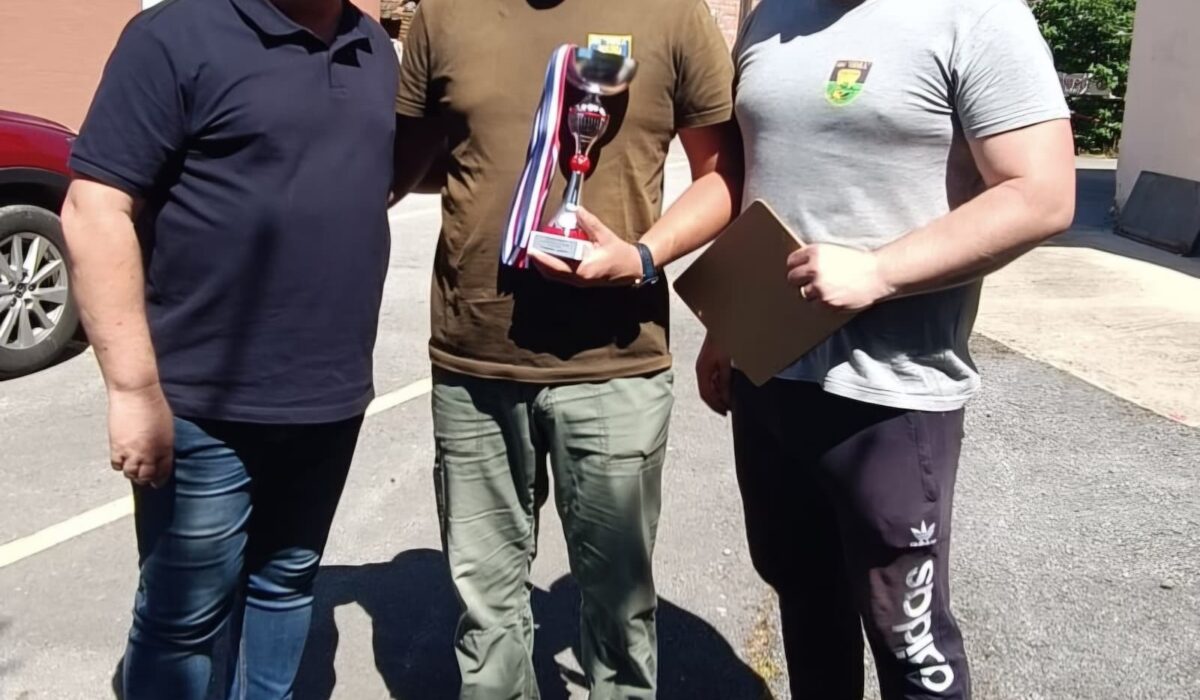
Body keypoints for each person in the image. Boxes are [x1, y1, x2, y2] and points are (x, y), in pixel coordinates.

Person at [693, 0, 1076, 698]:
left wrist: (880, 271)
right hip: (769, 375)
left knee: (910, 640)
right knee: (806, 601)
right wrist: (729, 324)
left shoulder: (977, 16)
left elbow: (1042, 194)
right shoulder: (771, 14)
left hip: (892, 396)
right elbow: (767, 177)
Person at [390, 0, 741, 696]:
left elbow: (723, 175)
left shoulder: (673, 12)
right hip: (474, 362)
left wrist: (643, 256)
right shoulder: (441, 13)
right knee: (487, 619)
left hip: (615, 362)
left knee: (619, 615)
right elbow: (408, 162)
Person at [61, 0, 397, 697]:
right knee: (182, 619)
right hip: (201, 405)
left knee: (285, 586)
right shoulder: (175, 36)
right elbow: (94, 211)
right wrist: (132, 391)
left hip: (330, 395)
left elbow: (365, 176)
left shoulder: (370, 45)